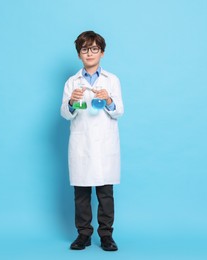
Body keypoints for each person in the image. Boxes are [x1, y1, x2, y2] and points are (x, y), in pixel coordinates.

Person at [60, 31, 124, 251]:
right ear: (79, 55)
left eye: (94, 48)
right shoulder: (72, 82)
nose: (90, 53)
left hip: (105, 145)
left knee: (105, 193)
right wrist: (71, 102)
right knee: (82, 193)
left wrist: (108, 99)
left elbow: (119, 111)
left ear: (102, 53)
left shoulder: (112, 80)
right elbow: (65, 113)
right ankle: (83, 235)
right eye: (85, 49)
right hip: (81, 145)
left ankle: (106, 235)